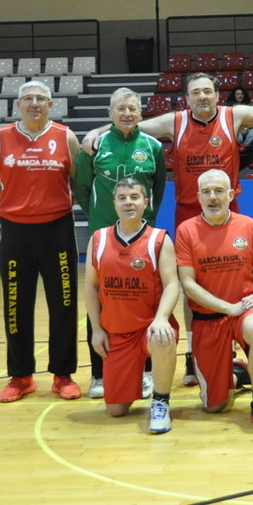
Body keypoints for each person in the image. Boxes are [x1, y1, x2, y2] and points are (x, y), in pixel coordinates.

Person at [81, 72, 253, 386]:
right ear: (187, 98)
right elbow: (129, 123)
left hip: (228, 211)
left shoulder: (234, 115)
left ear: (217, 95)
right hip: (189, 214)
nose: (202, 97)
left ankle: (235, 349)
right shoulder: (174, 122)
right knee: (191, 288)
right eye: (196, 92)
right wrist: (98, 130)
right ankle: (193, 355)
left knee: (233, 281)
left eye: (207, 91)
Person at [0, 79, 82, 402]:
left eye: (41, 98)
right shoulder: (1, 137)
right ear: (18, 105)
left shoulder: (65, 137)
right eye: (28, 98)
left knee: (64, 303)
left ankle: (63, 374)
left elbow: (77, 180)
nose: (34, 103)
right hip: (15, 231)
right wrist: (14, 207)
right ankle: (21, 375)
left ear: (51, 105)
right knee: (15, 304)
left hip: (57, 229)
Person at [75, 87, 166, 399]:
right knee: (99, 302)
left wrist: (144, 222)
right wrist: (102, 218)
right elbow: (82, 187)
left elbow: (158, 188)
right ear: (109, 114)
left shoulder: (153, 146)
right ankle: (98, 375)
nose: (127, 114)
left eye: (132, 109)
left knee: (146, 302)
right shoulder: (94, 145)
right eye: (121, 109)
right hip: (105, 234)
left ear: (141, 113)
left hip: (144, 236)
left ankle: (148, 371)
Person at [175, 169, 253, 432]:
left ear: (231, 194)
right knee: (213, 406)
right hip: (208, 318)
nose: (213, 197)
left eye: (219, 191)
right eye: (207, 192)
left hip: (244, 311)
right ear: (198, 197)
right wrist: (226, 307)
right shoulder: (186, 230)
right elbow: (187, 284)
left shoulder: (248, 225)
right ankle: (236, 372)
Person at [84, 178, 180, 434]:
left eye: (135, 197)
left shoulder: (159, 239)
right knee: (116, 409)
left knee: (163, 337)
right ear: (114, 203)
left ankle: (160, 401)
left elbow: (172, 284)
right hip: (116, 334)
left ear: (146, 203)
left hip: (148, 329)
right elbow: (91, 287)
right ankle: (132, 378)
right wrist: (96, 329)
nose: (129, 202)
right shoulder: (99, 238)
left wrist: (161, 318)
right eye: (123, 198)